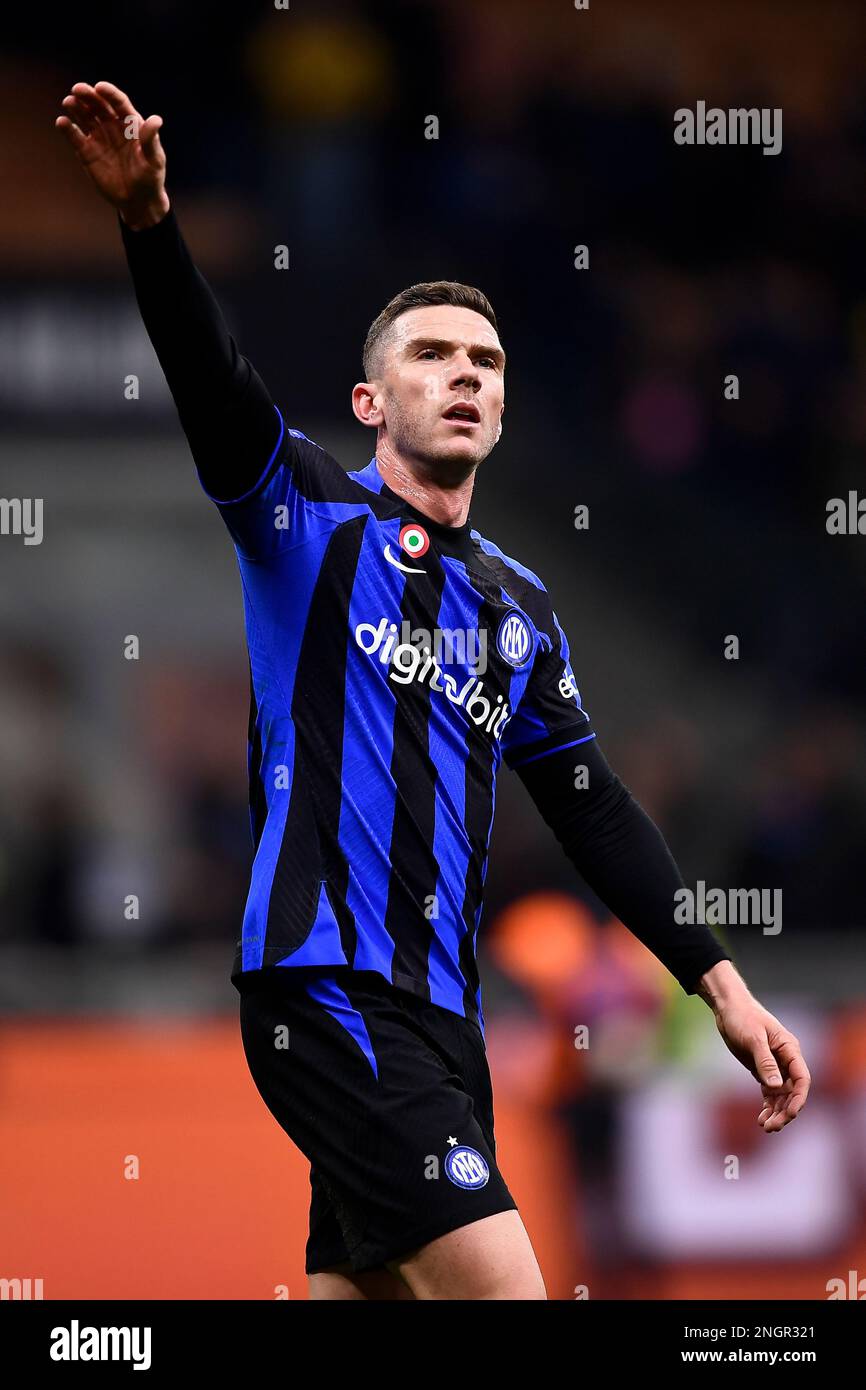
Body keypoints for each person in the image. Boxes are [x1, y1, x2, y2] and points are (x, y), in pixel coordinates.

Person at [56, 81, 811, 1301]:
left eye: (486, 362)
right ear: (370, 402)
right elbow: (213, 377)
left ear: (504, 407)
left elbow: (592, 806)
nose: (463, 374)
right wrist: (149, 224)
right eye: (431, 355)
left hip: (443, 1026)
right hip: (329, 992)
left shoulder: (517, 605)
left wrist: (717, 981)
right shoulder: (304, 516)